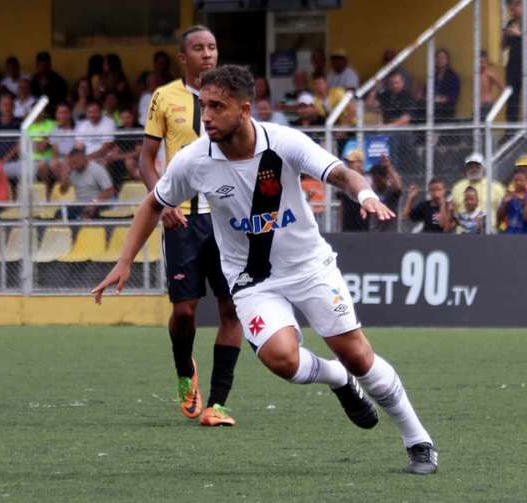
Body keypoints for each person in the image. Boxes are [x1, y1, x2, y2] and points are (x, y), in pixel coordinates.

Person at [94, 64, 438, 474]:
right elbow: (154, 203)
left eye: (217, 107)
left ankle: (418, 441)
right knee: (282, 361)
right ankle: (337, 380)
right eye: (204, 106)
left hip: (309, 267)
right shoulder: (194, 160)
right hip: (252, 279)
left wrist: (363, 193)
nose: (207, 117)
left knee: (359, 357)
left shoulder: (284, 141)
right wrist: (125, 259)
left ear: (244, 108)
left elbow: (341, 173)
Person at [139, 25, 243, 427]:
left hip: (225, 217)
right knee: (184, 312)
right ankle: (186, 373)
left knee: (230, 307)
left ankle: (218, 402)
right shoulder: (164, 97)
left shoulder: (234, 95)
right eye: (199, 48)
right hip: (181, 217)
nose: (208, 54)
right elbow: (147, 160)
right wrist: (161, 200)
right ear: (183, 57)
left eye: (213, 47)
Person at [502, 0, 527, 122]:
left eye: (513, 7)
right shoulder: (510, 23)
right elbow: (503, 47)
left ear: (521, 5)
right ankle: (510, 133)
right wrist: (505, 35)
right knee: (512, 101)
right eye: (509, 7)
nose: (511, 11)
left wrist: (519, 34)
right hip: (513, 68)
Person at [57, 144, 115, 220]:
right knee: (59, 214)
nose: (73, 166)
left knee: (87, 213)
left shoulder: (97, 169)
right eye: (71, 163)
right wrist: (64, 178)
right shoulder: (72, 171)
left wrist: (94, 203)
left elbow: (109, 191)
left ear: (83, 159)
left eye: (75, 162)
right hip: (80, 203)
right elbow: (63, 191)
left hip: (98, 203)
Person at [451, 153, 505, 231]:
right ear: (466, 168)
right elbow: (454, 213)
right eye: (470, 166)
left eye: (477, 166)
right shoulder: (457, 188)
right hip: (463, 233)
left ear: (483, 167)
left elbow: (503, 211)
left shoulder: (496, 187)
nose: (474, 169)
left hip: (488, 233)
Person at [497, 168, 527, 234]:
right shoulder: (509, 196)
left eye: (521, 180)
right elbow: (499, 219)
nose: (518, 183)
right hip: (511, 235)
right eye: (515, 180)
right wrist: (504, 204)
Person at [367, 157, 402, 232]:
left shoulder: (390, 192)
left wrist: (388, 167)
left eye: (378, 180)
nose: (376, 183)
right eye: (374, 179)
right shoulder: (372, 192)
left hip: (390, 232)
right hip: (374, 231)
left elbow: (398, 187)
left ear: (385, 178)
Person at [433, 48, 460, 121]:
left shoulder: (453, 76)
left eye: (442, 58)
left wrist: (440, 99)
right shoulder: (433, 76)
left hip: (446, 110)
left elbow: (453, 96)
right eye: (438, 57)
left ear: (447, 60)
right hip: (433, 109)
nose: (440, 60)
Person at [479, 51, 504, 119]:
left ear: (486, 62)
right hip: (478, 105)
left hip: (486, 104)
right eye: (478, 62)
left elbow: (503, 88)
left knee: (483, 126)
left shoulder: (490, 74)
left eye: (482, 62)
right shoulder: (477, 74)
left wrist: (497, 102)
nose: (480, 65)